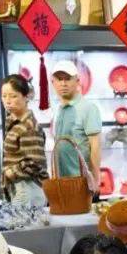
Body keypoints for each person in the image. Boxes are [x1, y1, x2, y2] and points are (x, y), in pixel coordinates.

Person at [51, 60, 102, 188]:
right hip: (61, 180)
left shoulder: (88, 108)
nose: (63, 83)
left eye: (68, 79)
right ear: (53, 82)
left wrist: (95, 178)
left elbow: (95, 146)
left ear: (77, 81)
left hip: (82, 181)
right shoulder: (58, 109)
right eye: (59, 79)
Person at [1, 73, 48, 206]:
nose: (7, 101)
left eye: (13, 96)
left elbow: (35, 162)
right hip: (19, 186)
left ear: (26, 97)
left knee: (22, 220)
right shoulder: (12, 120)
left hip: (28, 187)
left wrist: (11, 172)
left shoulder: (29, 126)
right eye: (4, 96)